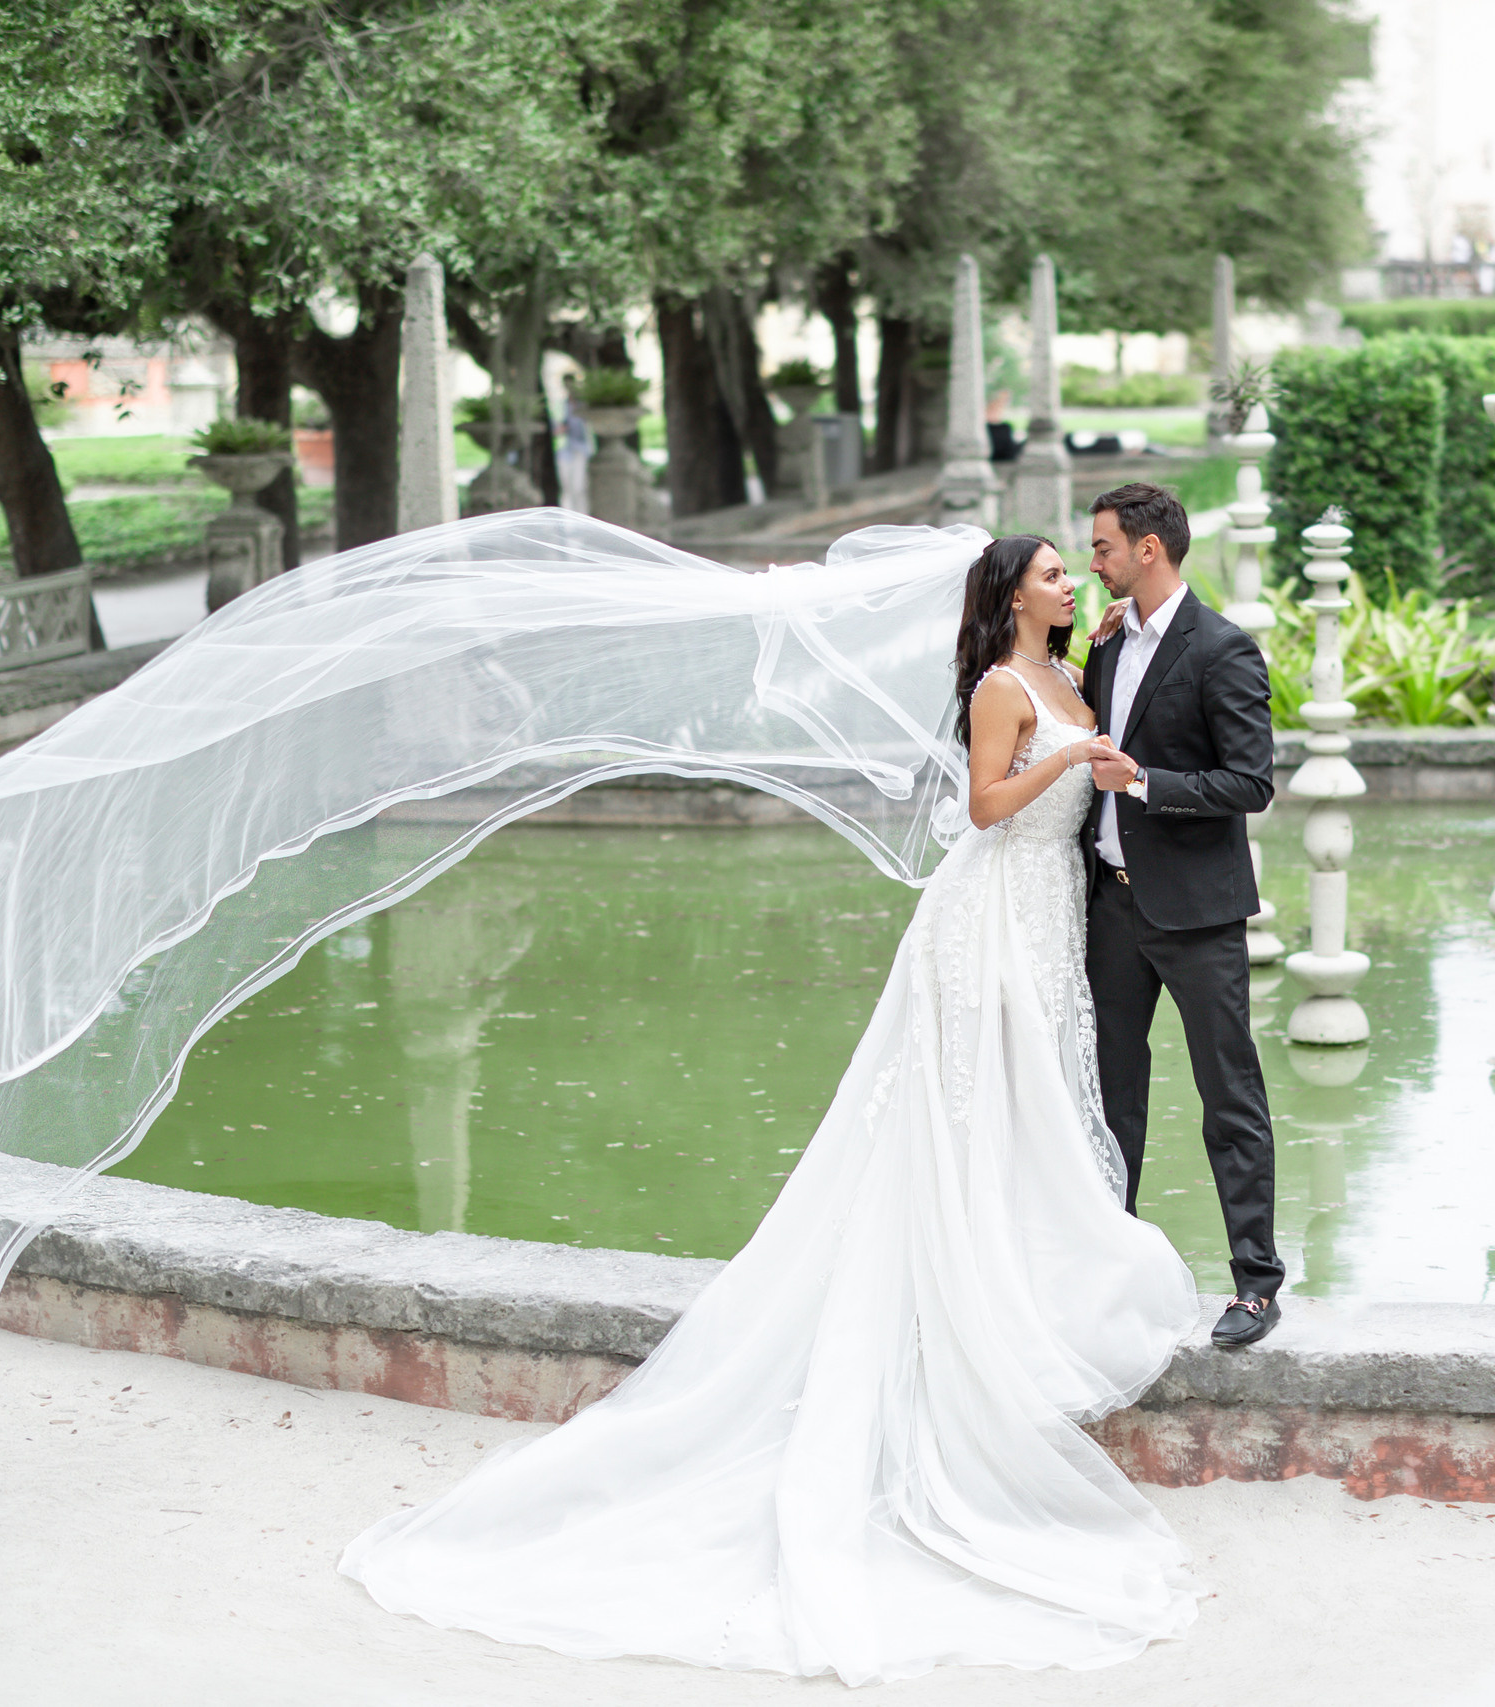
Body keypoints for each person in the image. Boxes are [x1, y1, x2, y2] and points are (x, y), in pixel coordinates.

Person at [340, 533, 1204, 1683]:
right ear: (1010, 596)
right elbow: (986, 807)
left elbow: (1080, 726)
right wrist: (1072, 760)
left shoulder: (1065, 670)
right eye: (1053, 571)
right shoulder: (1002, 686)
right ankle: (960, 1302)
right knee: (967, 1116)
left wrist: (1094, 677)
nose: (1071, 581)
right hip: (988, 917)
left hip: (1047, 919)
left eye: (1071, 569)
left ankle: (1017, 1280)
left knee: (1030, 1109)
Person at [1079, 482, 1285, 1348]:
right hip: (1111, 908)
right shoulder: (1106, 643)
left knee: (1229, 1095)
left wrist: (1142, 782)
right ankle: (1109, 1273)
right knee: (1107, 1097)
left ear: (1148, 548)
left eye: (1103, 547)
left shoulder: (1222, 649)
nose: (1093, 561)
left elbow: (1250, 782)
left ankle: (1256, 1285)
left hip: (1198, 915)